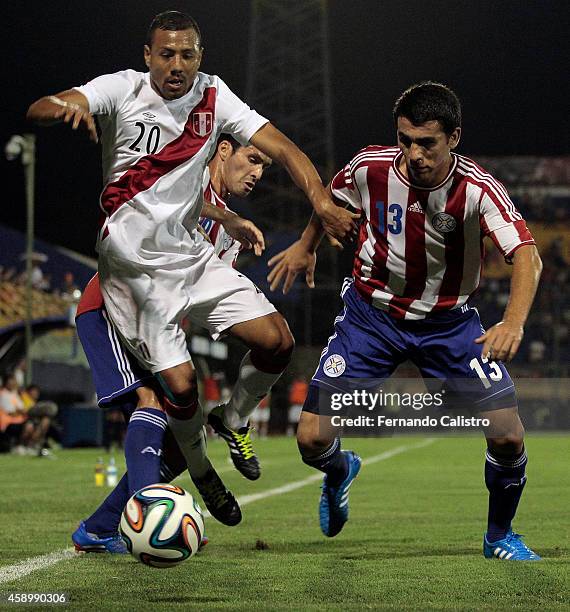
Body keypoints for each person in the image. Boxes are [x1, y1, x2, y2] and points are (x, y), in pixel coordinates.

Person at [27, 10, 357, 536]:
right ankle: (200, 474)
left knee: (276, 341)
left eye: (186, 55)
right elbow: (43, 105)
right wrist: (64, 106)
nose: (176, 65)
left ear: (199, 57)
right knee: (177, 387)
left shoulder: (214, 95)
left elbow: (286, 148)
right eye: (166, 54)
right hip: (133, 274)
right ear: (148, 55)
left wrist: (320, 199)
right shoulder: (122, 89)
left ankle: (234, 417)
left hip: (190, 258)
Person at [268, 82, 543, 560]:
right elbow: (331, 200)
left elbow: (526, 255)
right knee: (311, 439)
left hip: (449, 325)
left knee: (507, 431)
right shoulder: (370, 167)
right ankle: (339, 470)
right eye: (405, 140)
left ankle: (499, 535)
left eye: (427, 143)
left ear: (454, 138)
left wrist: (512, 322)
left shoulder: (478, 190)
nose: (413, 153)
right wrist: (306, 244)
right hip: (371, 320)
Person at [70, 135, 274, 552]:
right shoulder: (187, 174)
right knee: (151, 404)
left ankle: (99, 528)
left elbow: (203, 295)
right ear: (222, 151)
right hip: (112, 306)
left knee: (185, 430)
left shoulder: (230, 238)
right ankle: (148, 520)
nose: (257, 174)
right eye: (252, 160)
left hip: (161, 327)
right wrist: (223, 215)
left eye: (265, 167)